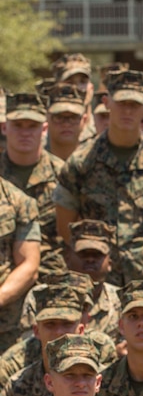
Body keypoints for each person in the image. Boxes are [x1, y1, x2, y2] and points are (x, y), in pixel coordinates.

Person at [54, 69, 143, 291]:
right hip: (95, 281)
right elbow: (66, 228)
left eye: (135, 104)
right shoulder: (80, 163)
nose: (128, 111)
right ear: (107, 103)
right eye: (121, 103)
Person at [0, 284, 90, 396]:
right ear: (36, 331)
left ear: (81, 330)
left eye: (67, 324)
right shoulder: (18, 385)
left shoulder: (99, 383)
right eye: (50, 324)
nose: (59, 332)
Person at [0, 92, 66, 277]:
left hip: (53, 282)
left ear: (44, 129)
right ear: (5, 127)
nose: (25, 133)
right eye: (18, 125)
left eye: (32, 126)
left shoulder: (64, 176)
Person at [44, 83, 89, 161]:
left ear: (84, 120)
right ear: (46, 119)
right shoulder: (31, 159)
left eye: (74, 117)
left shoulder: (95, 160)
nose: (66, 124)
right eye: (59, 117)